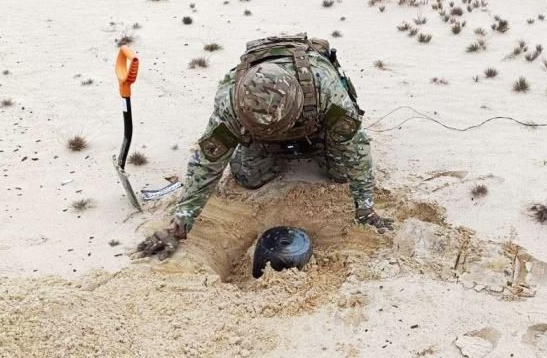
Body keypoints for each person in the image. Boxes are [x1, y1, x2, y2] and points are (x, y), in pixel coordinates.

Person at [137, 33, 393, 260]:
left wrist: (366, 210)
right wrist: (178, 227)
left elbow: (356, 150)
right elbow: (207, 164)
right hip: (262, 141)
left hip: (315, 125)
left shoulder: (324, 88)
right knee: (247, 176)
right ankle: (271, 145)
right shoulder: (230, 102)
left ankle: (312, 143)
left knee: (342, 173)